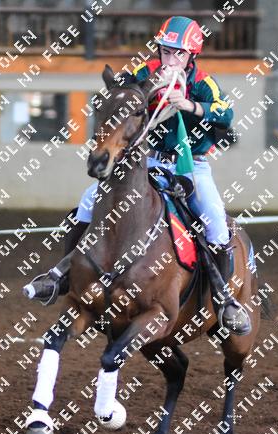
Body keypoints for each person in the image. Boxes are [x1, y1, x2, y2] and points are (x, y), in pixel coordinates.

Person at [23, 15, 250, 334]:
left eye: (179, 53)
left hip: (191, 165)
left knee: (214, 219)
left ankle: (225, 300)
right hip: (148, 161)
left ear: (191, 56)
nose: (171, 59)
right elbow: (123, 91)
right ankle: (61, 277)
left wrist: (189, 105)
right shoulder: (145, 72)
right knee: (88, 201)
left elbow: (226, 113)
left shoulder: (204, 83)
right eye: (166, 51)